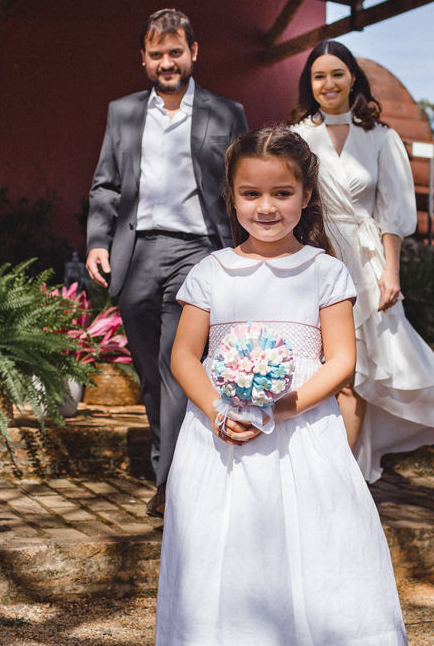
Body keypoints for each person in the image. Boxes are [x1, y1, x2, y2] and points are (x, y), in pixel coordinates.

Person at [156, 126, 407, 645]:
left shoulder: (325, 272)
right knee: (222, 547)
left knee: (315, 543)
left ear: (306, 195)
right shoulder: (211, 272)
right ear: (231, 196)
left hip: (303, 436)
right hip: (219, 438)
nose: (265, 207)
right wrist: (218, 412)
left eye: (282, 193)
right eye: (251, 193)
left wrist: (281, 410)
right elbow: (184, 355)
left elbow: (341, 360)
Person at [289, 40, 434, 483]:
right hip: (315, 255)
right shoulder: (297, 137)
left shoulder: (381, 137)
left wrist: (390, 271)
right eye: (319, 76)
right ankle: (315, 470)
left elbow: (392, 211)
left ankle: (339, 478)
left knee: (357, 372)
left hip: (367, 260)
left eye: (337, 73)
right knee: (317, 366)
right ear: (309, 84)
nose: (329, 83)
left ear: (353, 78)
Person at [85, 8, 247, 518]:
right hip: (138, 254)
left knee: (179, 366)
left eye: (175, 52)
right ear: (143, 60)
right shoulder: (124, 112)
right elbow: (107, 184)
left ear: (193, 53)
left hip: (198, 251)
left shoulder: (227, 113)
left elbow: (243, 182)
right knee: (151, 373)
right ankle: (175, 463)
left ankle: (172, 484)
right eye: (156, 54)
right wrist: (97, 241)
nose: (166, 62)